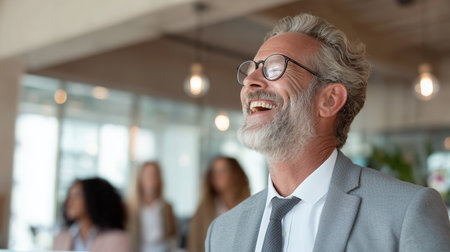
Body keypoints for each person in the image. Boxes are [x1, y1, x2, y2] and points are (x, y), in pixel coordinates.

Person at [205, 13, 450, 252]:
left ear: (330, 100)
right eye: (250, 72)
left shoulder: (406, 212)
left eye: (274, 68)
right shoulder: (221, 232)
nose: (250, 82)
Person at [188, 156, 250, 252]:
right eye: (214, 172)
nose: (217, 176)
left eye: (223, 170)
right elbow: (194, 244)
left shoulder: (249, 206)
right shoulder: (203, 209)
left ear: (235, 174)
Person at [53, 177, 129, 252]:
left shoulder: (116, 239)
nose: (69, 201)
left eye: (77, 195)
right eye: (69, 195)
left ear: (94, 199)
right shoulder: (60, 238)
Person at [127, 162, 177, 252]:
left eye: (154, 175)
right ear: (140, 178)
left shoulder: (167, 207)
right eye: (147, 175)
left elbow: (173, 237)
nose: (151, 178)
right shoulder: (130, 208)